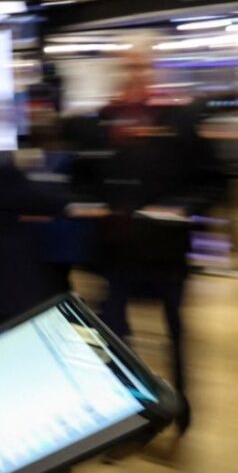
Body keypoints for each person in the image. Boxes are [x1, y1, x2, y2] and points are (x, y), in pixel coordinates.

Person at [86, 47, 223, 437]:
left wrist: (183, 207)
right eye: (128, 66)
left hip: (166, 251)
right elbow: (88, 177)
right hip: (116, 251)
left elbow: (211, 180)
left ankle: (181, 412)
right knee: (114, 337)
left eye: (142, 66)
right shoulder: (104, 121)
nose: (135, 74)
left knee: (174, 332)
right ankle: (126, 416)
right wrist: (88, 205)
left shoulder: (179, 120)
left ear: (153, 70)